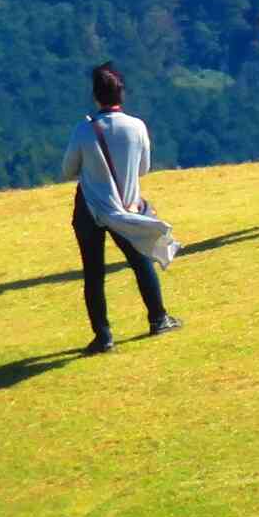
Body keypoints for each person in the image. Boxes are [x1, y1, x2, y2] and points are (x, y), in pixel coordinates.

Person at [61, 64, 180, 355]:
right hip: (126, 206)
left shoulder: (84, 130)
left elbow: (68, 170)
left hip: (89, 207)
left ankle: (103, 336)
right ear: (121, 94)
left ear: (95, 96)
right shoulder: (137, 126)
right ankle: (158, 318)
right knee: (140, 263)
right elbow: (144, 168)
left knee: (93, 272)